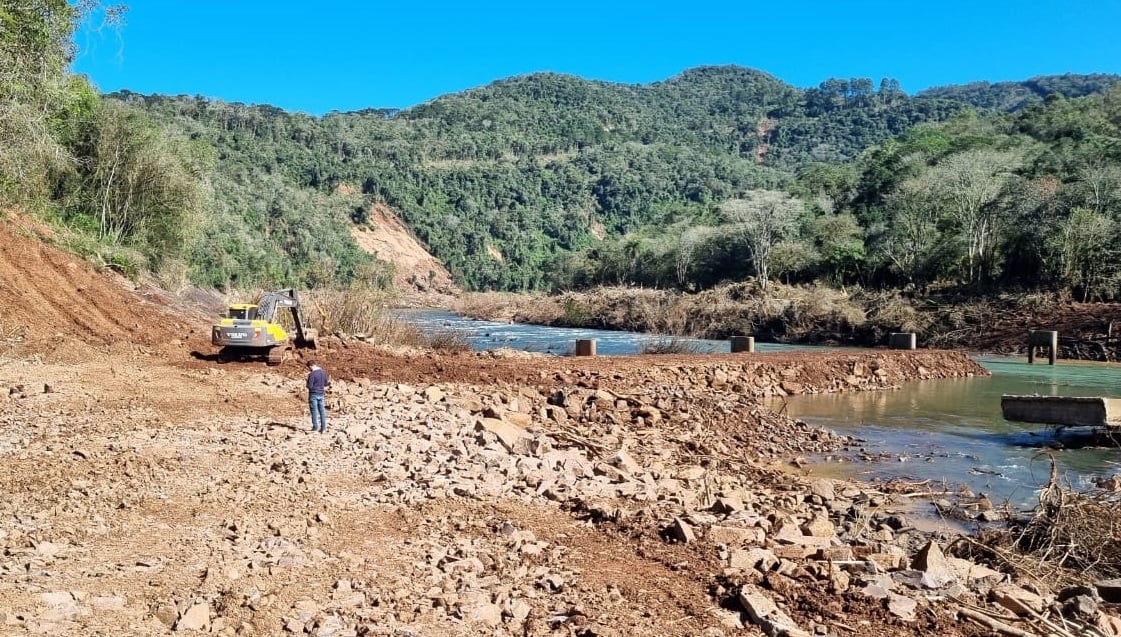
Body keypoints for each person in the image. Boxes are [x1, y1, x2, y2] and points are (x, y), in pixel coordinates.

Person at [306, 359, 329, 433]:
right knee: (322, 410)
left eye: (309, 368)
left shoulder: (312, 374)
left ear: (311, 366)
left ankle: (315, 427)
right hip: (321, 393)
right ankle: (323, 428)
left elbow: (310, 386)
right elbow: (326, 384)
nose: (309, 369)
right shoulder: (324, 372)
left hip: (313, 394)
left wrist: (307, 381)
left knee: (314, 411)